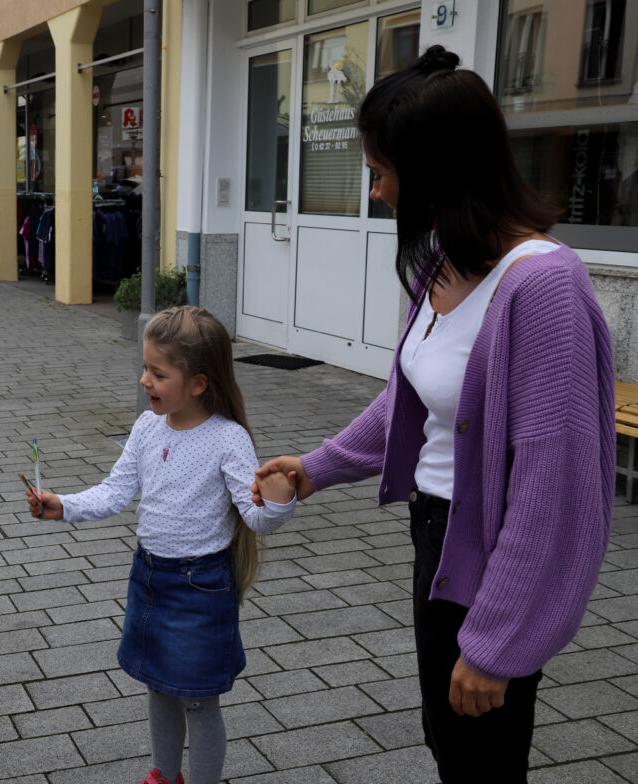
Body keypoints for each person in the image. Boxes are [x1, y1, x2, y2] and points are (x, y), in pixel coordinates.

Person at [253, 45, 614, 783]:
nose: (377, 192)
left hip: (491, 561)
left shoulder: (542, 290)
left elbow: (551, 488)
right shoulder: (444, 264)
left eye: (382, 173)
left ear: (437, 174)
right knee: (449, 747)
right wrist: (316, 468)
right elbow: (408, 401)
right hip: (438, 539)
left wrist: (497, 641)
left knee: (482, 762)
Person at [26, 306, 298, 784]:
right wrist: (62, 505)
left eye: (157, 372)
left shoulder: (227, 439)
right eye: (144, 369)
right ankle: (164, 774)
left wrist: (278, 501)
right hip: (150, 579)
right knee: (158, 688)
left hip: (202, 587)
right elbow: (115, 490)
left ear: (197, 383)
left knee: (197, 699)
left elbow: (256, 517)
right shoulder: (147, 428)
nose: (144, 381)